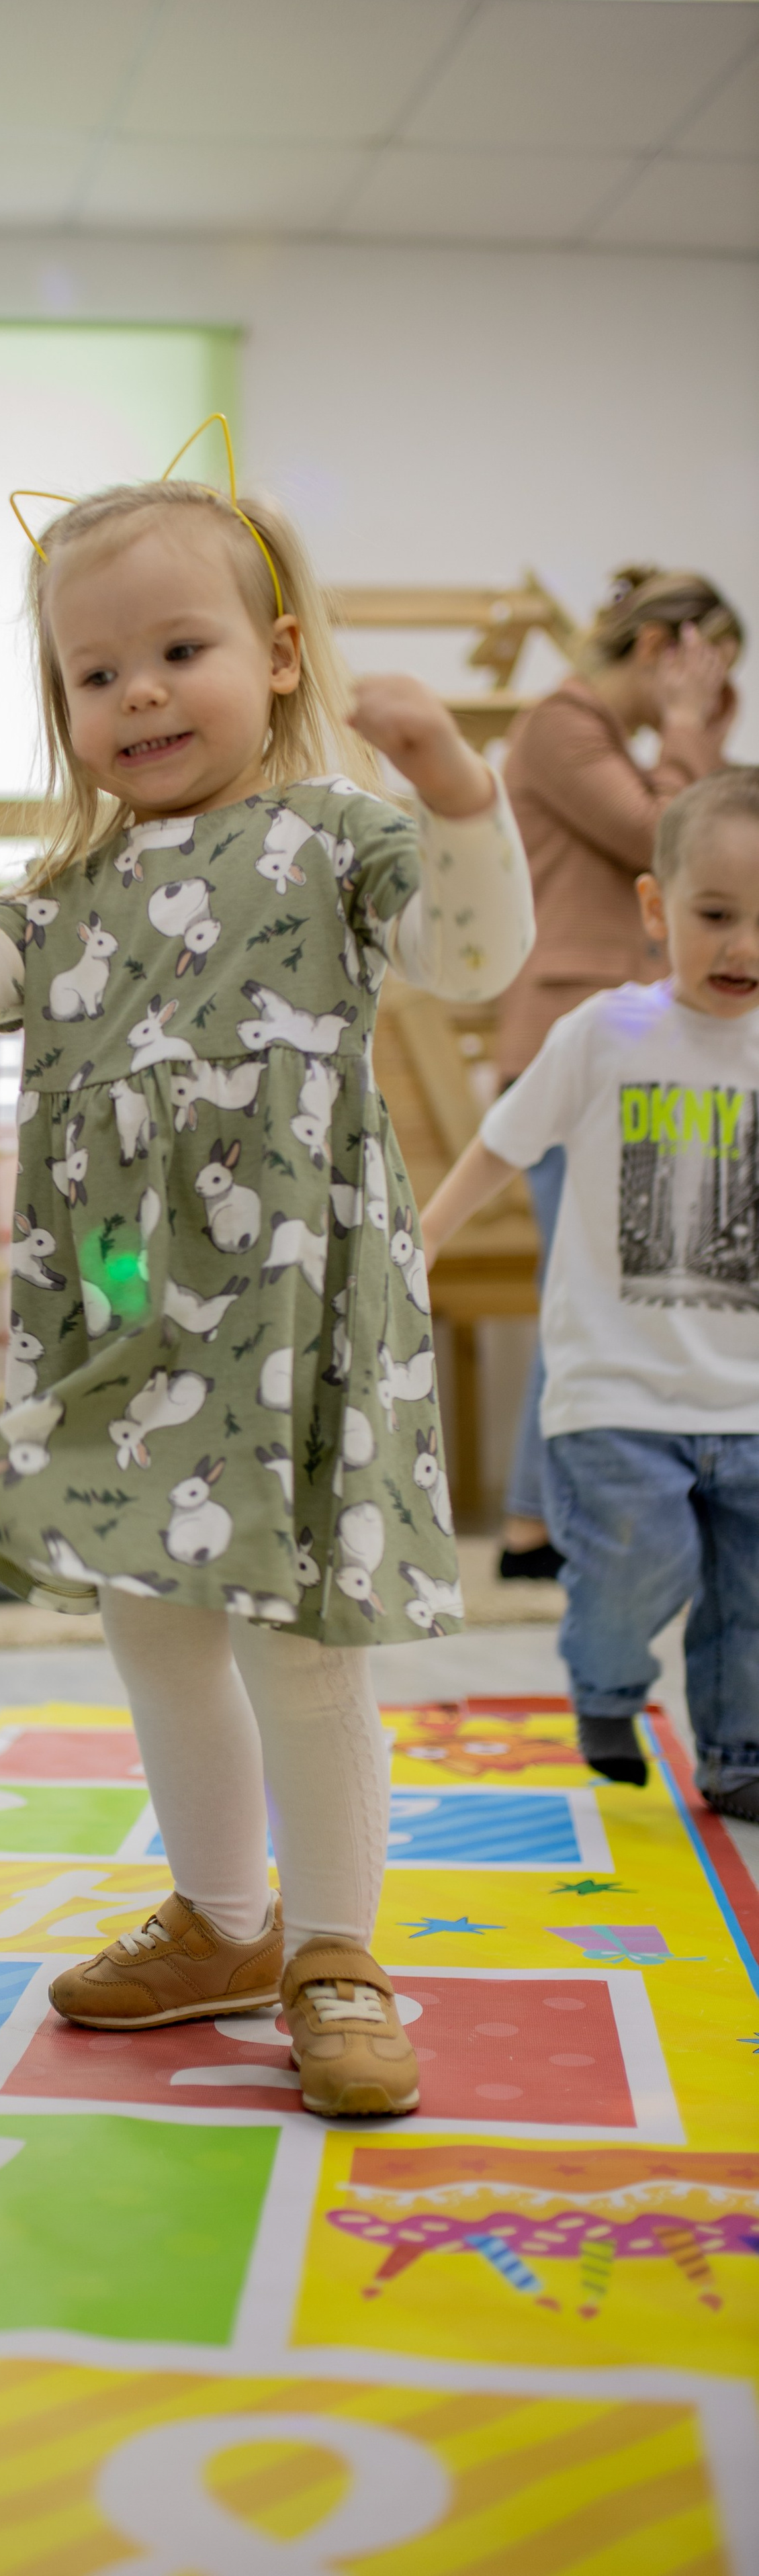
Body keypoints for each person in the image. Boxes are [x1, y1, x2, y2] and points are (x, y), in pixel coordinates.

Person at [0, 451, 534, 2118]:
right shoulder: (66, 897)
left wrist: (454, 796)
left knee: (299, 1644)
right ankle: (220, 1920)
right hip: (127, 1311)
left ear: (279, 656)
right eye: (93, 671)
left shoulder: (328, 839)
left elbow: (470, 957)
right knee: (151, 1627)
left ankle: (335, 1953)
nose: (137, 692)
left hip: (290, 1319)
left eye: (178, 651)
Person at [425, 768, 759, 1825]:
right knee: (634, 1575)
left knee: (750, 1605)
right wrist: (421, 1240)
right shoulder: (605, 1035)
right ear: (657, 911)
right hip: (616, 1395)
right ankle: (607, 1685)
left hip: (749, 1401)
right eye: (715, 916)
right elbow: (500, 1145)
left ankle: (740, 1753)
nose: (742, 946)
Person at [494, 569, 743, 1581]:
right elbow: (671, 842)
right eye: (709, 662)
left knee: (615, 1285)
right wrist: (692, 727)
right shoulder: (560, 724)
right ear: (658, 649)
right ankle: (530, 1531)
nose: (719, 686)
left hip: (636, 1047)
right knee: (590, 1292)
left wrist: (696, 730)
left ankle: (533, 1526)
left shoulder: (615, 740)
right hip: (573, 1041)